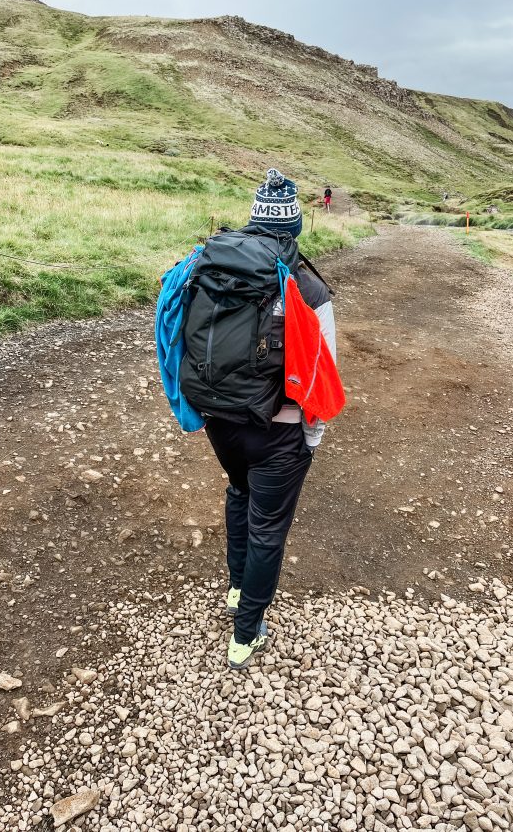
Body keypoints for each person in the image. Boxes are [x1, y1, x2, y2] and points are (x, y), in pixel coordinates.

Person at [199, 170, 337, 670]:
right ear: (294, 228)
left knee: (239, 492)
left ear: (254, 221)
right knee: (268, 528)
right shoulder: (308, 286)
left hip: (219, 418)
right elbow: (323, 374)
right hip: (280, 429)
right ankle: (246, 634)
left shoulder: (208, 266)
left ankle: (238, 590)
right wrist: (311, 438)